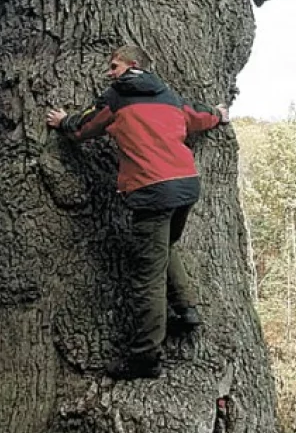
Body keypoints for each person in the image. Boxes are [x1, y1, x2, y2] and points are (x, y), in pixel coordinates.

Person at [46, 43, 228, 380]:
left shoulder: (117, 97)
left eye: (114, 66)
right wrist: (219, 114)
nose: (108, 72)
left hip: (152, 191)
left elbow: (86, 126)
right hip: (186, 186)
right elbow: (197, 116)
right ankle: (186, 309)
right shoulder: (168, 95)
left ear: (131, 66)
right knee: (163, 249)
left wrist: (63, 122)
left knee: (148, 275)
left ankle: (145, 358)